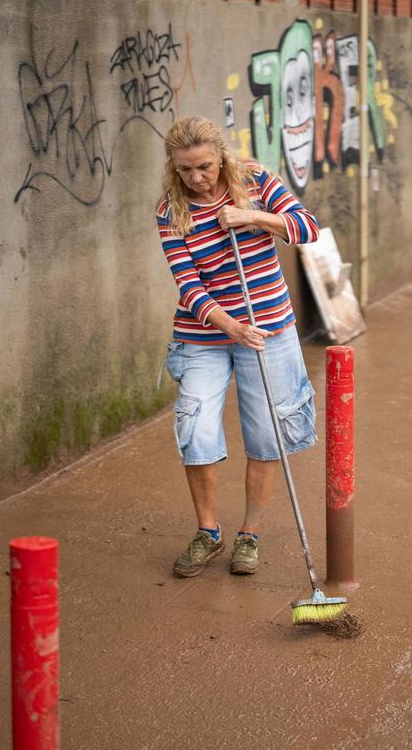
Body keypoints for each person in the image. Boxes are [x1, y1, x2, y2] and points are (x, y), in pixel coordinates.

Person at [155, 116, 320, 578]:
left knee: (267, 434)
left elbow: (308, 229)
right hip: (205, 334)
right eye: (185, 170)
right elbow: (187, 284)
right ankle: (208, 533)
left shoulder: (255, 180)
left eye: (204, 166)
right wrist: (231, 325)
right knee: (196, 427)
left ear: (221, 156)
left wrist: (252, 216)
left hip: (268, 329)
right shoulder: (171, 209)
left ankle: (249, 535)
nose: (197, 178)